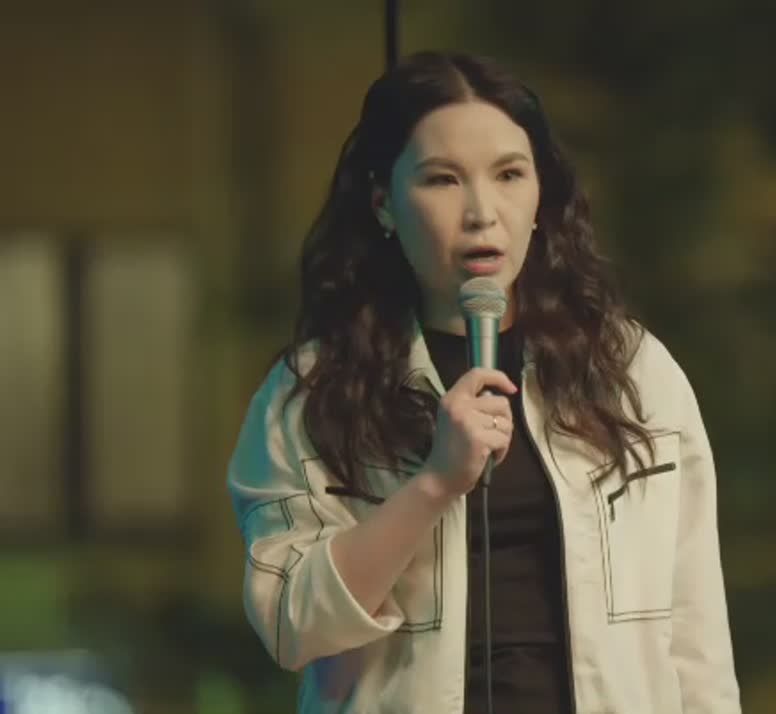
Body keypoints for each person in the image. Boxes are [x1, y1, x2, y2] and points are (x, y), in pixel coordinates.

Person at [226, 51, 741, 713]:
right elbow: (293, 623)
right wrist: (434, 484)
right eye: (442, 180)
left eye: (509, 175)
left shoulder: (629, 370)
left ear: (540, 195)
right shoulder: (314, 390)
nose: (481, 212)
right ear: (384, 202)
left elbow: (696, 633)